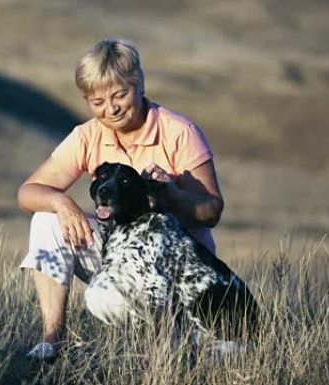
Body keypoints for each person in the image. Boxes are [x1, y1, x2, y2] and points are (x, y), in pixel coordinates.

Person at [17, 38, 224, 360]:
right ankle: (50, 343)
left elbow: (211, 211)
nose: (110, 109)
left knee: (178, 347)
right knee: (46, 218)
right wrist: (62, 203)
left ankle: (171, 342)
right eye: (97, 101)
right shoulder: (86, 135)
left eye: (119, 95)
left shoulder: (180, 132)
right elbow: (28, 192)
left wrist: (171, 194)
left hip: (176, 270)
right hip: (116, 255)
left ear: (138, 83)